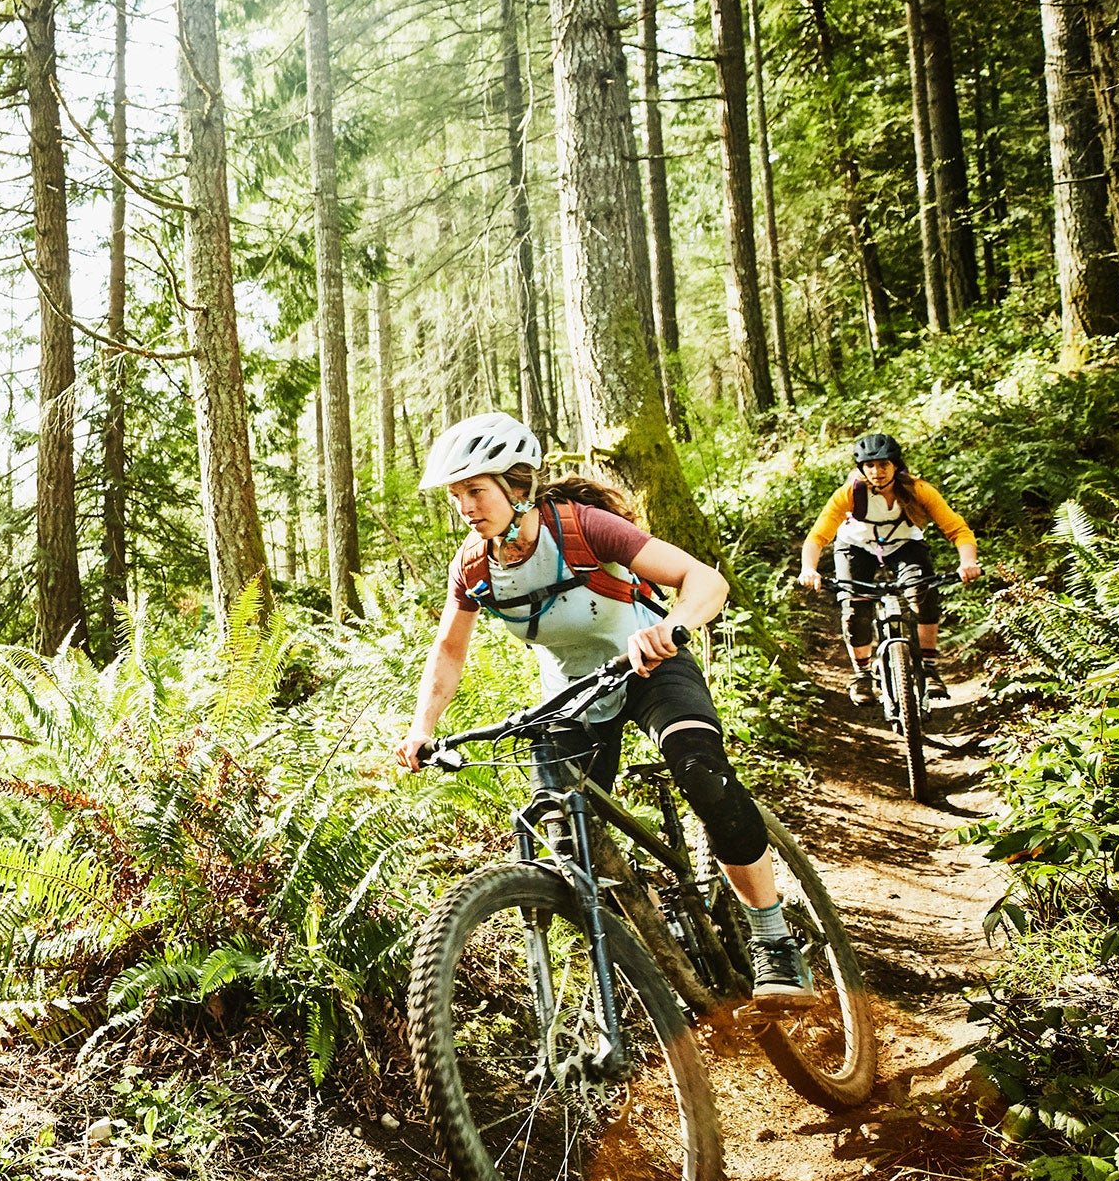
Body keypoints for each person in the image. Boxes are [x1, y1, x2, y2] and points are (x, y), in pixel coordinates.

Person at [394, 412, 816, 1004]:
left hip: (650, 665)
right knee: (571, 838)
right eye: (456, 495)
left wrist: (672, 626)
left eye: (475, 490)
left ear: (518, 487)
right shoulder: (473, 565)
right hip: (571, 694)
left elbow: (704, 581)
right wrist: (422, 729)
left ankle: (773, 939)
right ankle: (640, 958)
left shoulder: (583, 528)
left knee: (701, 770)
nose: (465, 506)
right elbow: (448, 650)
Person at [796, 431, 981, 704]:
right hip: (856, 547)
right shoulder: (850, 492)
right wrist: (808, 568)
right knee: (855, 608)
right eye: (870, 466)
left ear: (895, 465)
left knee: (923, 593)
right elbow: (818, 536)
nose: (877, 471)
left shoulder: (918, 490)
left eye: (884, 465)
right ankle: (862, 676)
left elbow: (957, 530)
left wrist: (968, 562)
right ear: (861, 468)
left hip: (905, 545)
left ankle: (929, 669)